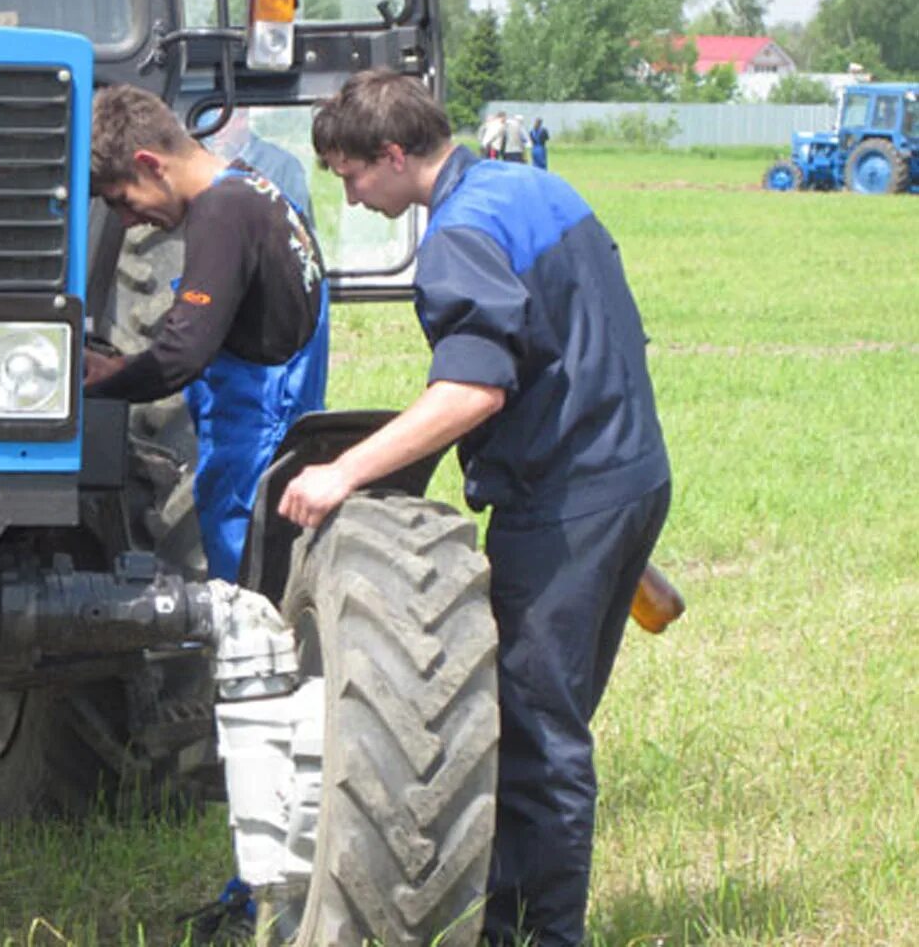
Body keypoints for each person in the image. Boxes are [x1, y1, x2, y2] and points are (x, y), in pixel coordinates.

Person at [278, 71, 670, 947]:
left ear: (391, 154)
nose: (351, 194)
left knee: (533, 739)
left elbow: (470, 392)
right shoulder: (534, 185)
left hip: (563, 504)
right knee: (542, 718)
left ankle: (537, 936)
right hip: (630, 476)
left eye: (350, 175)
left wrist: (343, 472)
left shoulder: (457, 236)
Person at [85, 84, 329, 588]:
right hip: (266, 419)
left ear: (151, 163)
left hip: (252, 440)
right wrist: (123, 368)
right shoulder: (254, 188)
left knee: (240, 594)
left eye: (123, 201)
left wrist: (94, 388)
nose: (128, 221)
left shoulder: (221, 213)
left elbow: (183, 355)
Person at [199, 104, 316, 228]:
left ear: (242, 120)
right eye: (209, 122)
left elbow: (302, 230)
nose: (215, 132)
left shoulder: (283, 166)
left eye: (220, 121)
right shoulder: (201, 163)